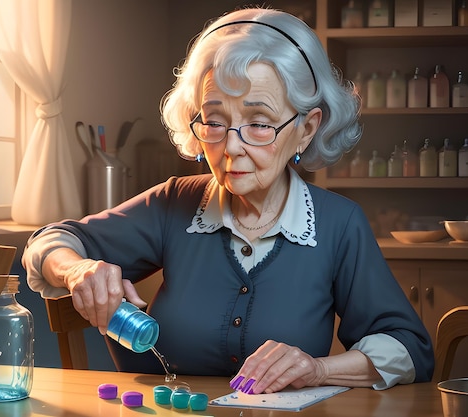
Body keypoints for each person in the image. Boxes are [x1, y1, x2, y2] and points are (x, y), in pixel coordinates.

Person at [22, 7, 434, 394]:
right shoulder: (174, 203)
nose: (231, 148)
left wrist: (318, 369)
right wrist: (77, 270)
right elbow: (48, 243)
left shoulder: (337, 224)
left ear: (307, 129)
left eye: (258, 123)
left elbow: (410, 349)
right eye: (215, 122)